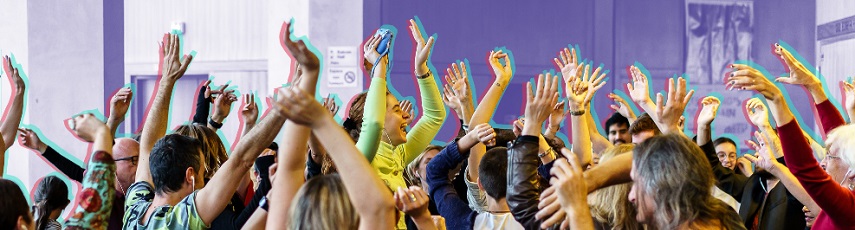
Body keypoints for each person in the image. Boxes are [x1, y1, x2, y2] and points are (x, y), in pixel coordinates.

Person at [728, 43, 855, 228]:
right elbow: (839, 140)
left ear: (851, 171)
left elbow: (805, 167)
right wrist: (814, 87)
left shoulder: (849, 207)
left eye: (831, 157)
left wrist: (776, 99)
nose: (823, 162)